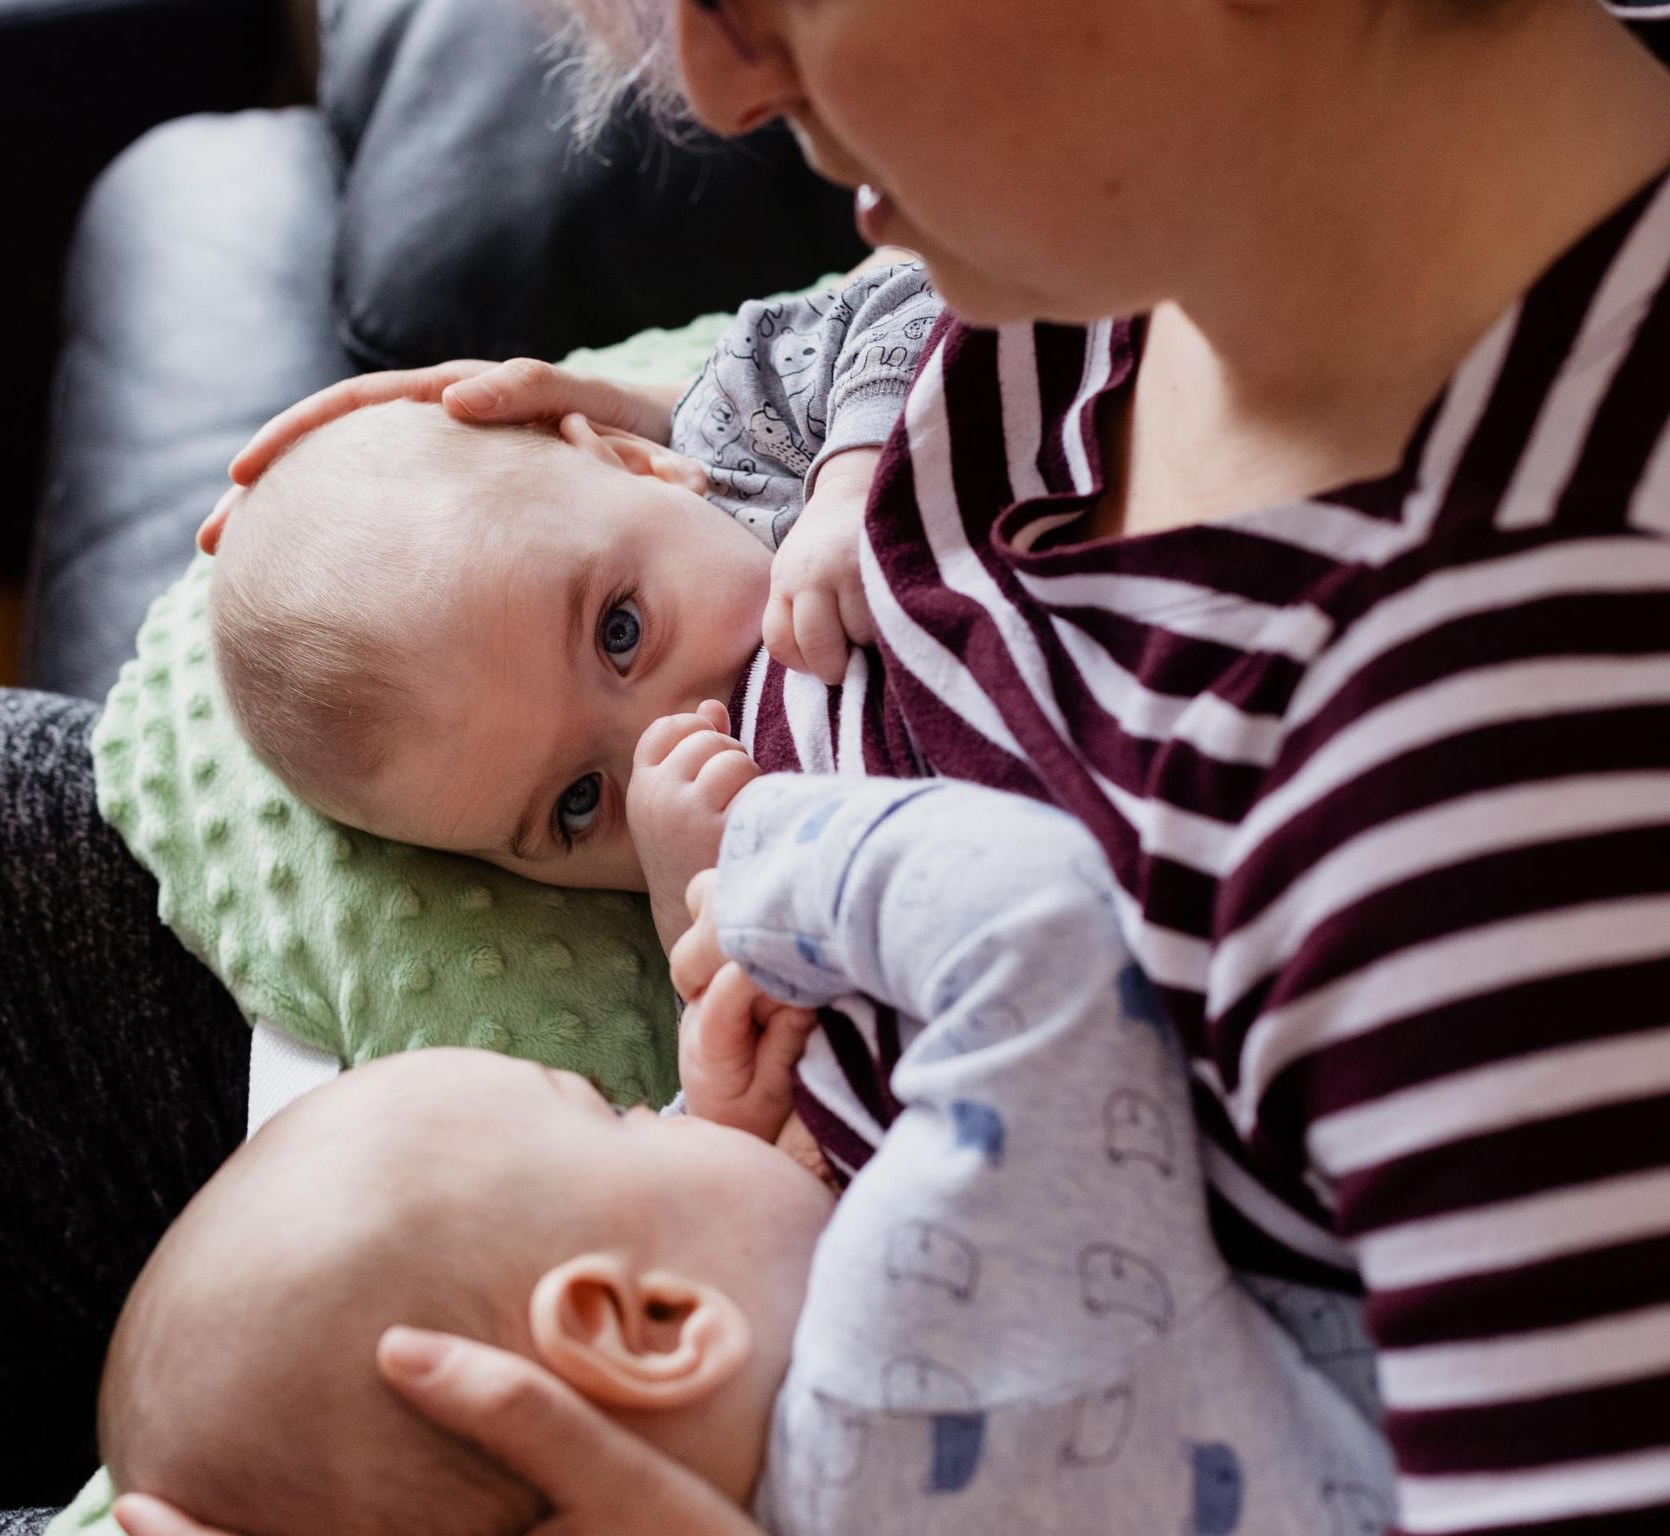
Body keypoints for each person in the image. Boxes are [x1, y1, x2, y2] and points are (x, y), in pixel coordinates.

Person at [120, 0, 1670, 1534]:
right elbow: (861, 343)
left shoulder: (1489, 754)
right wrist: (686, 448)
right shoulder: (1112, 221)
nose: (713, 86)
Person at [95, 778, 1389, 1536]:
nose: (660, 1103)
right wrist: (763, 873)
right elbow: (1037, 923)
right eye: (610, 1114)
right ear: (649, 1326)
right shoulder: (912, 1346)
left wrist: (702, 1162)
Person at [204, 263, 937, 944]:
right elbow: (783, 1066)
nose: (668, 736)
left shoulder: (751, 436)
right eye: (578, 804)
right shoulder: (725, 865)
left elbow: (922, 296)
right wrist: (695, 919)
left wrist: (853, 484)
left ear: (638, 463)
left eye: (622, 632)